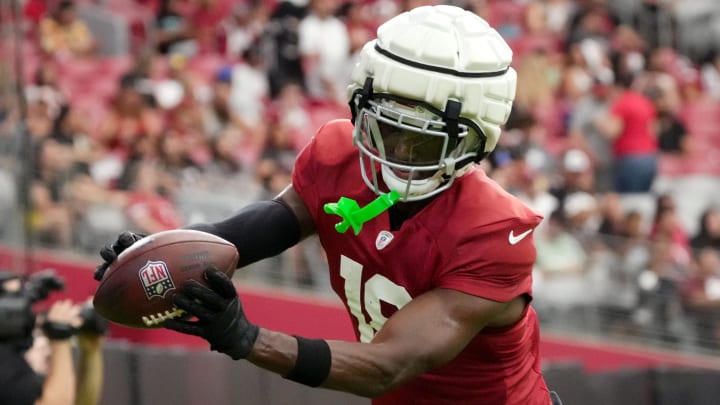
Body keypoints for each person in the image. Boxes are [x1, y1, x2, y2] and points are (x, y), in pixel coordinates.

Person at [95, 6, 560, 405]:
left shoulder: (494, 231)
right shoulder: (340, 152)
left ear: (476, 140)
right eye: (385, 129)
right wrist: (167, 249)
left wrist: (247, 338)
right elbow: (281, 218)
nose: (395, 154)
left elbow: (390, 365)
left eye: (420, 142)